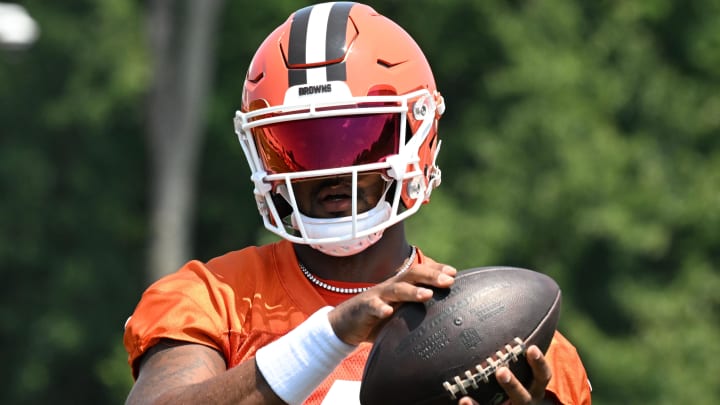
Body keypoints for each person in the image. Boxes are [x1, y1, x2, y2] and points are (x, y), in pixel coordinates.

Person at [123, 2, 592, 404]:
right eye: (299, 147)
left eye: (359, 141)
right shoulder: (212, 298)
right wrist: (330, 335)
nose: (329, 172)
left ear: (417, 138)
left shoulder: (510, 338)